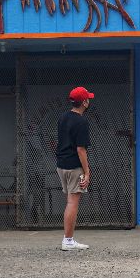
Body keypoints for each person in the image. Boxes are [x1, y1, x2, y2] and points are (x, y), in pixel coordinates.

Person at [55, 86, 93, 251]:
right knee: (72, 203)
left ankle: (68, 239)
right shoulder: (81, 121)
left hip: (61, 165)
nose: (89, 101)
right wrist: (87, 172)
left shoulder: (63, 117)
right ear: (84, 102)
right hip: (74, 166)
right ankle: (68, 240)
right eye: (88, 98)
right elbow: (81, 149)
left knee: (69, 201)